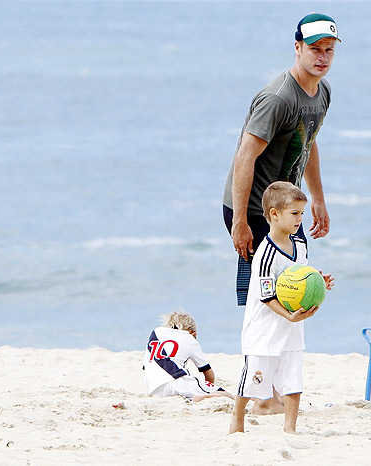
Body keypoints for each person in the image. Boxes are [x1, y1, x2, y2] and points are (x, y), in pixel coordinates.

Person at [222, 12, 340, 307]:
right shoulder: (279, 98)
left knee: (296, 287)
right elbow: (244, 157)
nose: (322, 57)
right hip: (255, 210)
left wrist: (319, 199)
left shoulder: (322, 91)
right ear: (297, 48)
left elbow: (308, 144)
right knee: (266, 298)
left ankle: (286, 353)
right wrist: (239, 221)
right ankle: (258, 354)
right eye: (315, 49)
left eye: (329, 49)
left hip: (287, 207)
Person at [229, 181, 334, 434]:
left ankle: (290, 428)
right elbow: (266, 294)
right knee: (255, 378)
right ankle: (237, 418)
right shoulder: (265, 252)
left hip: (292, 326)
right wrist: (289, 315)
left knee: (293, 378)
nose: (300, 219)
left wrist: (317, 281)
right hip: (265, 328)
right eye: (295, 213)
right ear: (274, 215)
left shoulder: (300, 246)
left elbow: (298, 277)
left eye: (302, 213)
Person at [143, 310, 234, 402]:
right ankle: (203, 396)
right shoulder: (188, 337)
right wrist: (208, 388)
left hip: (153, 389)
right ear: (193, 332)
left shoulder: (156, 333)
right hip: (174, 382)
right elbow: (208, 373)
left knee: (185, 388)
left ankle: (193, 395)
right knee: (226, 395)